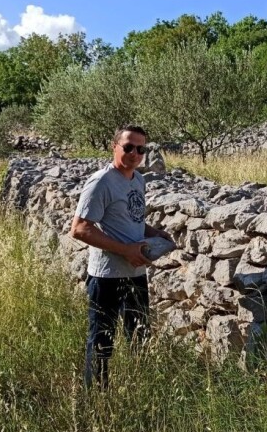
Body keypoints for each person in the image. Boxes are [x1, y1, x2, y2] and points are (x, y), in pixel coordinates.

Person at [70, 124, 172, 389]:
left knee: (140, 336)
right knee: (102, 340)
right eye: (128, 147)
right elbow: (80, 229)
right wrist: (126, 250)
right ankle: (95, 399)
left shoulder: (137, 178)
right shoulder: (101, 182)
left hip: (135, 274)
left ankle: (139, 392)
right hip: (106, 277)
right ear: (114, 146)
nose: (135, 153)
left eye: (141, 148)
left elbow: (133, 219)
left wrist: (155, 232)